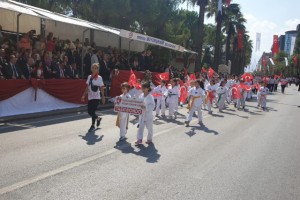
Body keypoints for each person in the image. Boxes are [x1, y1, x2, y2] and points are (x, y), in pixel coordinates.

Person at [81, 63, 106, 132]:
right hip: (90, 96)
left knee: (93, 111)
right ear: (91, 69)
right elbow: (87, 87)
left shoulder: (99, 78)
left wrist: (103, 97)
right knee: (89, 111)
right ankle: (98, 118)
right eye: (93, 68)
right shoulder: (89, 77)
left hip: (96, 97)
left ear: (98, 70)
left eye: (96, 68)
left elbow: (101, 88)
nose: (94, 69)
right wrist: (83, 95)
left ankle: (92, 126)